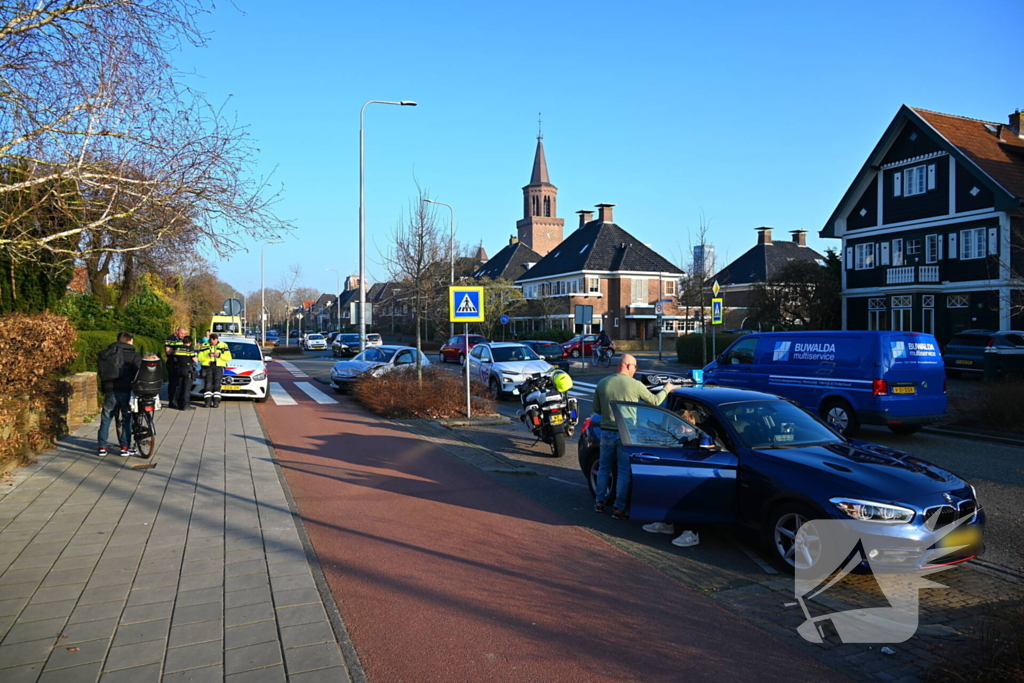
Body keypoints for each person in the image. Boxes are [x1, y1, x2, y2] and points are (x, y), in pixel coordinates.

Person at [593, 353, 679, 519]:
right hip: (626, 433)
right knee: (624, 471)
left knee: (604, 468)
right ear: (627, 366)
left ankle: (599, 502)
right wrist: (667, 388)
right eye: (635, 367)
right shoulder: (635, 384)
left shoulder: (603, 382)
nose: (635, 370)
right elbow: (655, 401)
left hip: (607, 431)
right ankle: (619, 508)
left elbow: (597, 409)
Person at [96, 331, 142, 457]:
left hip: (110, 390)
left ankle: (102, 447)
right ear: (130, 341)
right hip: (127, 390)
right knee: (127, 419)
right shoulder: (134, 355)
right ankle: (125, 447)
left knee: (106, 418)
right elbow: (140, 372)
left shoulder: (106, 354)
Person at [197, 333, 232, 408]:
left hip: (218, 366)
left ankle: (216, 402)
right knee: (208, 384)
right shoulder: (204, 345)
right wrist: (207, 355)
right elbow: (199, 358)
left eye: (214, 341)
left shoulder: (223, 345)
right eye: (211, 341)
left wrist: (219, 355)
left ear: (217, 339)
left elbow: (229, 357)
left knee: (217, 384)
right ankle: (207, 402)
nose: (212, 342)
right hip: (207, 366)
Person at [170, 336, 197, 410]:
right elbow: (195, 360)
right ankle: (186, 405)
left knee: (180, 387)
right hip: (187, 370)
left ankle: (179, 404)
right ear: (190, 342)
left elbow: (175, 359)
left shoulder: (178, 349)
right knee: (186, 388)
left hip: (179, 369)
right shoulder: (190, 349)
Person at [164, 327, 187, 409]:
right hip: (172, 363)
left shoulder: (182, 340)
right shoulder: (170, 339)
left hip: (180, 363)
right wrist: (178, 351)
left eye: (184, 334)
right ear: (177, 332)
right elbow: (168, 351)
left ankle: (178, 400)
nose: (183, 335)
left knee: (179, 383)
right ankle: (172, 401)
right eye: (181, 333)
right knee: (173, 382)